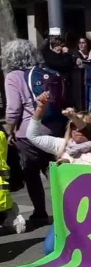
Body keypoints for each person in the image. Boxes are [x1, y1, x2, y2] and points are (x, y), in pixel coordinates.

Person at [4, 39, 56, 224]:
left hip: (28, 131)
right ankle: (65, 209)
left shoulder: (13, 77)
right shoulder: (42, 72)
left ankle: (40, 212)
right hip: (51, 128)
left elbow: (13, 108)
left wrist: (10, 130)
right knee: (52, 171)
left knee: (32, 173)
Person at [27, 92, 91, 166]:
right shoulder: (64, 144)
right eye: (73, 126)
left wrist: (69, 166)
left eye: (82, 126)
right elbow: (33, 136)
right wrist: (40, 109)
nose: (78, 130)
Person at [73, 36, 91, 112]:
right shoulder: (76, 54)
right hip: (81, 82)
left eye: (83, 43)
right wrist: (88, 59)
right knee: (84, 104)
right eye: (79, 43)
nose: (81, 45)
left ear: (87, 44)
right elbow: (79, 65)